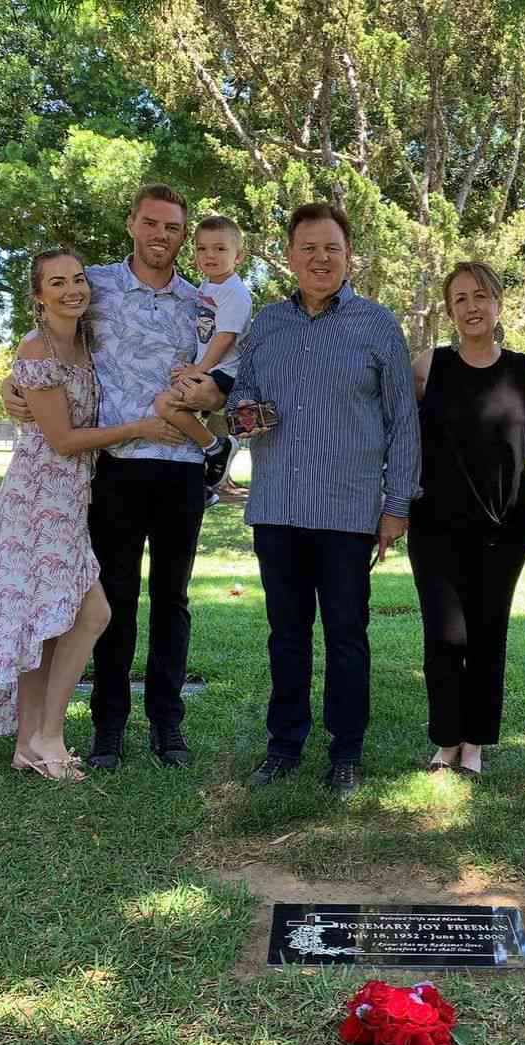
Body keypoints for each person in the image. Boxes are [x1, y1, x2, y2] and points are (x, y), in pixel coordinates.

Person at [172, 202, 419, 797]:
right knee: (286, 635)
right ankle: (283, 747)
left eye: (332, 247)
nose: (320, 258)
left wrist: (397, 505)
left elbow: (402, 420)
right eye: (308, 247)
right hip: (278, 506)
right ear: (289, 256)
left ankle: (346, 754)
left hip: (348, 511)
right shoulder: (269, 326)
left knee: (346, 634)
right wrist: (243, 412)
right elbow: (240, 401)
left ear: (348, 255)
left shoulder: (378, 324)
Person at [0, 250, 183, 779]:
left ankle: (25, 745)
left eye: (78, 280)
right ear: (38, 296)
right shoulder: (38, 348)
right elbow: (61, 440)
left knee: (47, 620)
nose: (72, 290)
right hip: (40, 498)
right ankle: (49, 736)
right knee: (95, 614)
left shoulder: (83, 342)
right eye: (56, 283)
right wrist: (138, 429)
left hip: (71, 497)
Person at [2, 184, 204, 771]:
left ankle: (168, 728)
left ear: (182, 235)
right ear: (132, 225)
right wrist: (9, 386)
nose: (160, 236)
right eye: (150, 223)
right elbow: (46, 343)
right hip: (114, 470)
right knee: (114, 599)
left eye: (171, 227)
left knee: (173, 601)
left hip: (182, 471)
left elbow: (221, 378)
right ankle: (107, 731)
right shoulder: (95, 285)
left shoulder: (202, 303)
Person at [408, 261, 525, 777]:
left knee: (488, 633)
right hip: (435, 524)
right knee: (445, 637)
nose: (472, 307)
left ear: (499, 305)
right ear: (450, 310)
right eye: (461, 298)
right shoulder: (428, 367)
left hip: (503, 528)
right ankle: (446, 739)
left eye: (481, 296)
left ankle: (476, 744)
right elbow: (396, 434)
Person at [153, 215, 252, 507]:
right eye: (202, 248)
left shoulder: (234, 292)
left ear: (239, 256)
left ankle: (217, 447)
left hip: (226, 371)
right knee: (181, 425)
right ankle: (204, 485)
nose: (209, 255)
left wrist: (199, 369)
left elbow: (225, 338)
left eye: (220, 249)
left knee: (165, 404)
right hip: (212, 367)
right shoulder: (207, 287)